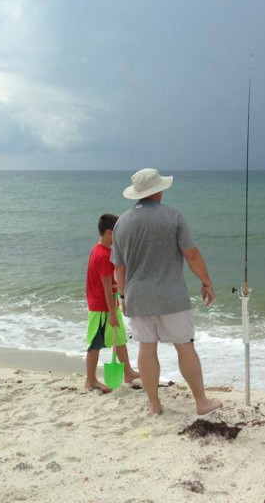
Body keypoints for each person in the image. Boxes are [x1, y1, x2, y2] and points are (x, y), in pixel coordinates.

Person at [112, 168, 222, 415]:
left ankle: (154, 404)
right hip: (171, 296)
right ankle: (201, 402)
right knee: (184, 346)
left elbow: (119, 267)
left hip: (137, 296)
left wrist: (121, 296)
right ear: (159, 190)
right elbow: (191, 254)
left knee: (146, 348)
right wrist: (206, 282)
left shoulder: (121, 223)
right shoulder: (173, 216)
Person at [84, 213, 139, 392]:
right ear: (109, 233)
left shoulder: (104, 251)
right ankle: (90, 380)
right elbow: (106, 287)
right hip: (101, 308)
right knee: (95, 343)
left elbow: (108, 284)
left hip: (109, 304)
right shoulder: (102, 255)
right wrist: (111, 314)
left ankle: (128, 372)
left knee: (120, 338)